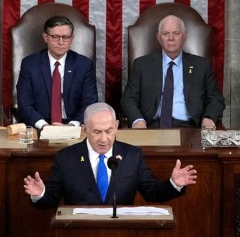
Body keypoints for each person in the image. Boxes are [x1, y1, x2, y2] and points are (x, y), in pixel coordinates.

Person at [23, 102, 197, 207]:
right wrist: (40, 194)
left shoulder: (132, 155)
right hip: (79, 236)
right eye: (97, 132)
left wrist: (174, 184)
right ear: (84, 130)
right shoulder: (66, 158)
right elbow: (50, 199)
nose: (104, 139)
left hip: (122, 235)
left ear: (116, 126)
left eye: (109, 131)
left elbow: (152, 193)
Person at [121, 14, 225, 129]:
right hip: (151, 127)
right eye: (165, 34)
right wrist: (138, 120)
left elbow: (216, 99)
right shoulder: (142, 64)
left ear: (185, 36)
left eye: (176, 33)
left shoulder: (201, 66)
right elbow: (128, 99)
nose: (171, 38)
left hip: (190, 128)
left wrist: (209, 118)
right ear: (158, 37)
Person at [16, 15, 97, 130]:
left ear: (72, 38)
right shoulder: (30, 64)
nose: (61, 42)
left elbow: (90, 102)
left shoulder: (84, 65)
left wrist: (72, 125)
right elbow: (25, 104)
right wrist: (44, 126)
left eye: (66, 37)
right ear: (45, 37)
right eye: (55, 37)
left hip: (74, 127)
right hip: (40, 126)